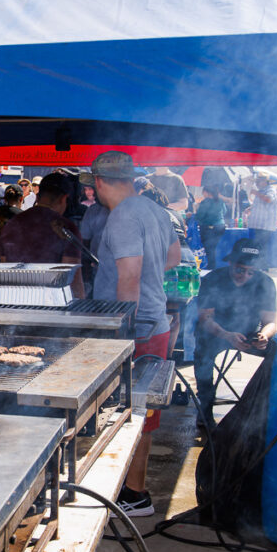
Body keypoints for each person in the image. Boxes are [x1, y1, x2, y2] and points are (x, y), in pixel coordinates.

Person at [85, 151, 180, 517]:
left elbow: (130, 276)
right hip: (155, 321)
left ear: (99, 182)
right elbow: (173, 257)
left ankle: (131, 494)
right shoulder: (155, 209)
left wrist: (122, 331)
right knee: (143, 411)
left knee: (129, 411)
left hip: (134, 328)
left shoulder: (122, 216)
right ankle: (133, 491)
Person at [194, 239, 277, 426]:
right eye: (240, 270)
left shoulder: (265, 283)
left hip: (249, 334)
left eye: (251, 272)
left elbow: (270, 322)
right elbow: (205, 318)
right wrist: (227, 335)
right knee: (203, 353)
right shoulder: (213, 279)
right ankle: (205, 411)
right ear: (231, 263)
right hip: (216, 333)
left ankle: (261, 407)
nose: (245, 276)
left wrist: (264, 335)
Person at [0, 174, 85, 297]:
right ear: (63, 199)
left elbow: (3, 266)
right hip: (51, 304)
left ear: (38, 196)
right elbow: (73, 280)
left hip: (14, 299)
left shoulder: (11, 224)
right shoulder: (65, 228)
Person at [243, 172, 277, 261]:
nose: (257, 184)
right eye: (256, 182)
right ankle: (258, 265)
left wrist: (256, 193)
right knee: (257, 246)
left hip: (265, 225)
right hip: (258, 224)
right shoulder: (261, 191)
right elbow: (261, 204)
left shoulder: (271, 189)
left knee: (262, 246)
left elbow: (268, 199)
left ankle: (262, 265)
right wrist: (251, 208)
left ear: (265, 182)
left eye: (258, 182)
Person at [194, 184, 227, 269]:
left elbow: (200, 215)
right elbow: (225, 211)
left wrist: (194, 215)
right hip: (220, 226)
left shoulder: (206, 202)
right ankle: (213, 266)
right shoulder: (220, 201)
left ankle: (211, 266)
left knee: (209, 248)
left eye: (203, 192)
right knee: (214, 247)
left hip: (208, 228)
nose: (203, 194)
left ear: (206, 192)